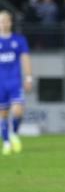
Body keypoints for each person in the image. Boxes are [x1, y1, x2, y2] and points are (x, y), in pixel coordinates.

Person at [0, 10, 32, 155]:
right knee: (3, 114)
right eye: (1, 21)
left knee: (18, 111)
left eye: (6, 20)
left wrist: (29, 77)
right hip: (1, 83)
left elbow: (25, 59)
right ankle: (6, 142)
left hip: (15, 81)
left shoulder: (19, 40)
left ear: (10, 22)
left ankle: (14, 133)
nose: (3, 23)